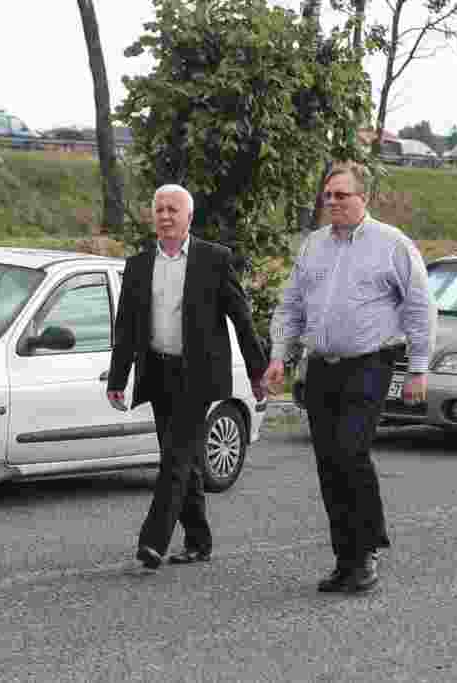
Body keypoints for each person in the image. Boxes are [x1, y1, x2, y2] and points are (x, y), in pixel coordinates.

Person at [265, 163, 436, 593]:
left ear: (364, 199)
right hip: (322, 366)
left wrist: (418, 367)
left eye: (343, 195)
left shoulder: (392, 245)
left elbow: (419, 307)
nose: (334, 202)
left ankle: (367, 551)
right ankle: (345, 558)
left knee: (350, 453)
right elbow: (291, 307)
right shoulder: (313, 247)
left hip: (370, 364)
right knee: (328, 462)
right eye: (328, 196)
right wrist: (279, 357)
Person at [107, 184, 268, 570]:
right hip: (158, 372)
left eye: (173, 209)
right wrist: (118, 378)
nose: (165, 216)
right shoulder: (139, 265)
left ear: (189, 217)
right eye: (159, 209)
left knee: (175, 461)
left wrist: (257, 372)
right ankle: (198, 539)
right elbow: (127, 327)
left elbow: (242, 319)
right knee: (182, 459)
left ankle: (153, 541)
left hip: (198, 376)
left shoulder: (214, 260)